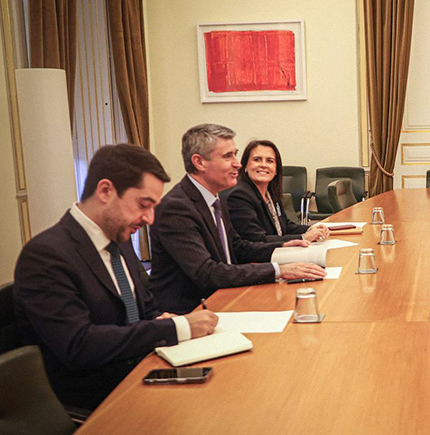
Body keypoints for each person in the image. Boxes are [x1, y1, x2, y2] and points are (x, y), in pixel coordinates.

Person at [13, 144, 219, 411]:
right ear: (106, 191)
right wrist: (176, 328)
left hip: (142, 374)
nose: (150, 218)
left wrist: (164, 319)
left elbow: (145, 309)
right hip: (94, 402)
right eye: (144, 205)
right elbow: (79, 345)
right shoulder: (45, 256)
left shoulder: (118, 238)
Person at [150, 124, 326, 314]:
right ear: (199, 162)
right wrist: (279, 270)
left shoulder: (215, 198)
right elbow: (207, 273)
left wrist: (286, 247)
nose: (238, 163)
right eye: (228, 156)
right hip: (193, 311)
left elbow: (239, 248)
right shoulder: (176, 208)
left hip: (227, 296)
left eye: (235, 154)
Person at [223, 139, 329, 243]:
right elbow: (257, 239)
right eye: (257, 159)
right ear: (245, 166)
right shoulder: (240, 196)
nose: (263, 165)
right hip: (259, 258)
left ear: (276, 169)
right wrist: (303, 237)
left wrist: (311, 229)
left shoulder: (270, 193)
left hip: (277, 251)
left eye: (270, 161)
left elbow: (284, 227)